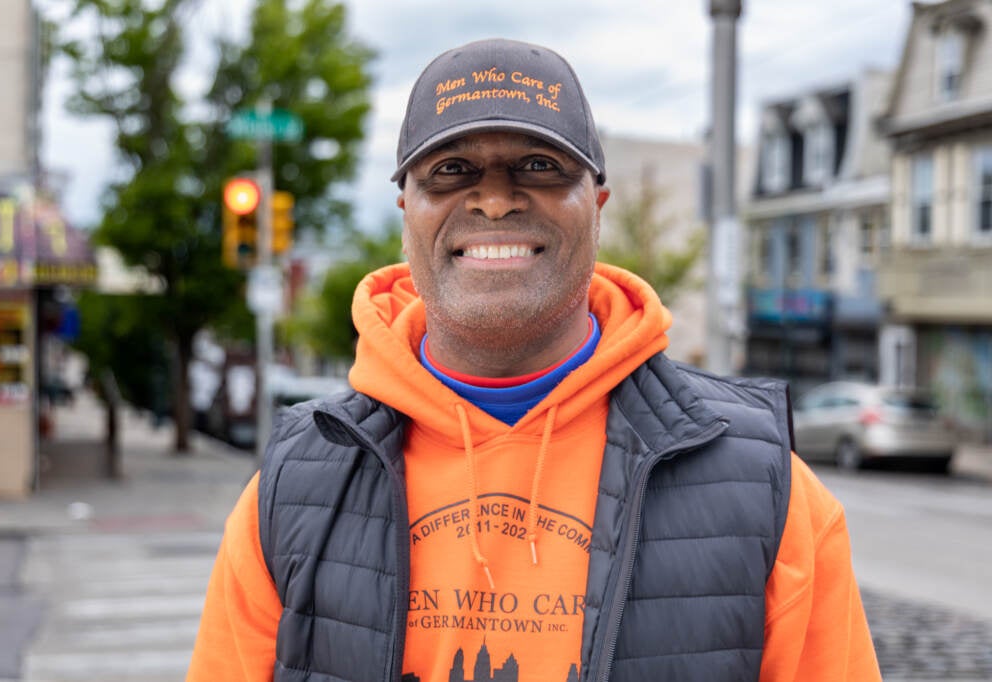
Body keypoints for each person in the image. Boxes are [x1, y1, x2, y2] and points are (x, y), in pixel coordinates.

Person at [188, 38, 881, 682]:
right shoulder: (291, 491)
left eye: (540, 166)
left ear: (597, 205)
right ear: (407, 211)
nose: (494, 200)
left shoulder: (770, 493)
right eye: (451, 170)